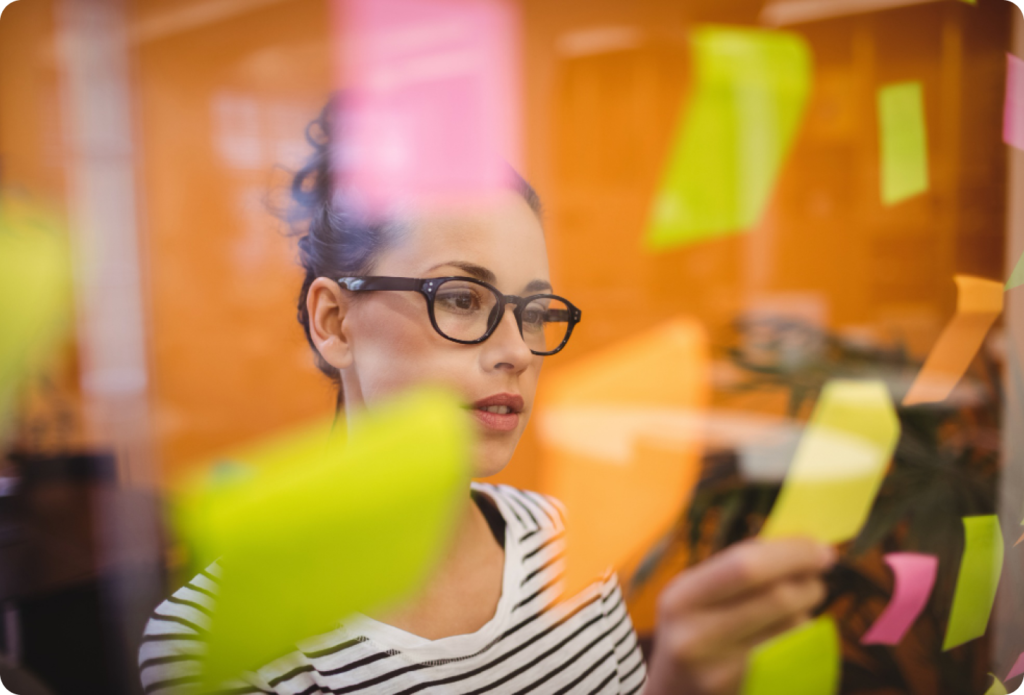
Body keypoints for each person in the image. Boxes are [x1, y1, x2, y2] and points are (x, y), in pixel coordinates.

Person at [138, 101, 836, 695]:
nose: (519, 349)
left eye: (534, 312)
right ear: (335, 321)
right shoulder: (214, 642)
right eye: (463, 298)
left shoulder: (565, 537)